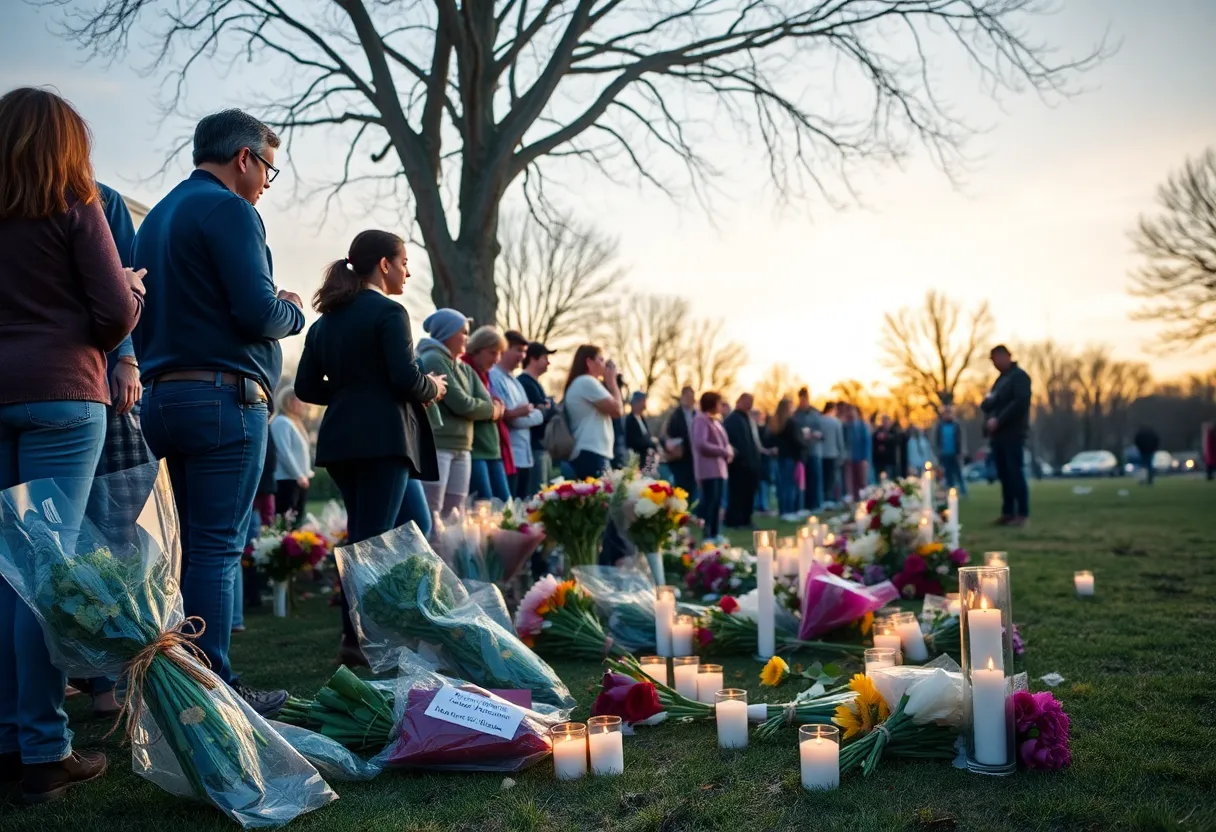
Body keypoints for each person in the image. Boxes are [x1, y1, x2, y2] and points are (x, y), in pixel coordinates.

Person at [0, 87, 145, 801]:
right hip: (62, 394)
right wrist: (134, 293)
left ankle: (7, 739)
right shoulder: (73, 201)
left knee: (5, 573)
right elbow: (115, 311)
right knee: (46, 575)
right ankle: (43, 748)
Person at [134, 109, 303, 715]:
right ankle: (214, 689)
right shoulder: (232, 210)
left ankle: (178, 680)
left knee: (181, 551)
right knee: (215, 549)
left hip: (160, 395)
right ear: (245, 158)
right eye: (268, 170)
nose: (265, 183)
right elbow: (257, 312)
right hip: (223, 398)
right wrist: (291, 310)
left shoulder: (155, 218)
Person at [294, 230, 445, 667]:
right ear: (384, 264)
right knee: (370, 541)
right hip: (383, 441)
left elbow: (306, 386)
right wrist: (432, 387)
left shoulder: (325, 323)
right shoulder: (390, 312)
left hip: (343, 440)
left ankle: (407, 622)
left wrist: (350, 394)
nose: (408, 271)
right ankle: (357, 636)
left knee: (412, 524)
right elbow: (404, 378)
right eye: (403, 262)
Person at [417, 310, 492, 515]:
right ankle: (434, 548)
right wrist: (486, 409)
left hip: (462, 446)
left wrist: (486, 408)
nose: (467, 338)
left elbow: (487, 401)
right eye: (463, 332)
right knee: (433, 513)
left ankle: (448, 548)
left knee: (454, 513)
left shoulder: (464, 367)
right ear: (447, 333)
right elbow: (462, 404)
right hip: (439, 445)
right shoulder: (434, 358)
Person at [981, 345, 1032, 526]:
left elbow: (1020, 403)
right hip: (998, 435)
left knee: (1015, 472)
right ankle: (1008, 511)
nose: (995, 364)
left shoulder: (1019, 378)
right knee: (1004, 474)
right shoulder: (1000, 380)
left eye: (996, 359)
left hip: (1013, 433)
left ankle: (1022, 513)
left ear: (1005, 357)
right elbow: (990, 402)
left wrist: (999, 420)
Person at [489, 330, 543, 499]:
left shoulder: (514, 381)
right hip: (509, 456)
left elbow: (535, 414)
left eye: (524, 351)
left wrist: (526, 413)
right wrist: (524, 413)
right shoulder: (494, 376)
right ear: (504, 349)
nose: (522, 356)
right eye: (518, 350)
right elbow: (513, 420)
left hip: (524, 457)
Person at [462, 326, 512, 502]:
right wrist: (493, 409)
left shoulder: (486, 374)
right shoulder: (465, 368)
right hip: (476, 448)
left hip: (491, 448)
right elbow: (466, 404)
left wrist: (496, 406)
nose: (496, 359)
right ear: (477, 348)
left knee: (505, 505)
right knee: (485, 506)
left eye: (499, 354)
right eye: (492, 353)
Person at [562, 345, 623, 480]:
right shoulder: (586, 382)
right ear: (589, 362)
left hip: (590, 451)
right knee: (599, 499)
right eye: (600, 360)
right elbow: (617, 410)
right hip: (591, 452)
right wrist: (612, 382)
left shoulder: (581, 383)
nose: (604, 364)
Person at [517, 342, 557, 497]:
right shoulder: (525, 383)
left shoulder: (534, 383)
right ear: (533, 359)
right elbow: (539, 412)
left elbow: (546, 409)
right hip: (533, 448)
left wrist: (547, 407)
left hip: (541, 447)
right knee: (536, 496)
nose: (548, 362)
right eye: (544, 357)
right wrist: (547, 408)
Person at [692, 391, 733, 538]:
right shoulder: (700, 420)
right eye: (719, 402)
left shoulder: (715, 421)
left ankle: (716, 532)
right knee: (710, 503)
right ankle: (708, 534)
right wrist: (722, 451)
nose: (721, 406)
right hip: (708, 470)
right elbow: (701, 443)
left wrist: (728, 451)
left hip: (720, 469)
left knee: (717, 503)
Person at [271, 386, 313, 522]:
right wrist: (298, 475)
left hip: (297, 480)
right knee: (286, 521)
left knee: (296, 520)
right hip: (287, 480)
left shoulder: (294, 423)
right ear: (289, 401)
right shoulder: (281, 422)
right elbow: (283, 452)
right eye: (298, 400)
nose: (302, 403)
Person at [723, 393, 763, 529]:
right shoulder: (732, 420)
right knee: (737, 494)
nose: (749, 404)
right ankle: (736, 520)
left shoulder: (747, 419)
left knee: (749, 494)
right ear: (739, 401)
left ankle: (746, 519)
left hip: (751, 464)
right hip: (739, 465)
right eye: (747, 401)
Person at [770, 398, 807, 521]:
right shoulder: (791, 423)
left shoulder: (777, 422)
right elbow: (796, 440)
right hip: (791, 457)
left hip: (782, 456)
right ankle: (789, 510)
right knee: (790, 485)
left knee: (783, 485)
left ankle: (783, 510)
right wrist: (805, 442)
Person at [662, 386, 698, 499]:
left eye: (692, 397)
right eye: (687, 396)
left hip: (694, 460)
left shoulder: (697, 415)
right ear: (682, 397)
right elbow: (664, 436)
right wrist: (669, 445)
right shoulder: (674, 414)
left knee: (692, 493)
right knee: (680, 492)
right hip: (679, 460)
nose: (690, 399)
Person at [793, 388, 823, 514]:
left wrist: (816, 434)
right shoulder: (796, 414)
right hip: (801, 452)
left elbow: (822, 432)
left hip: (814, 450)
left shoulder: (815, 413)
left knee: (814, 479)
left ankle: (815, 504)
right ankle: (802, 505)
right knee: (801, 480)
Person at [935, 404, 968, 496]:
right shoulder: (940, 426)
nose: (947, 415)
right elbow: (937, 441)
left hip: (955, 454)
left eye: (949, 413)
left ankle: (963, 492)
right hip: (945, 454)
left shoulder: (956, 425)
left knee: (959, 474)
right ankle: (951, 491)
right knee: (948, 475)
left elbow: (961, 439)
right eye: (946, 413)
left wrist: (961, 451)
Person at [626, 392, 661, 470]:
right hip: (638, 461)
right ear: (636, 403)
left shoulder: (642, 418)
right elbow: (633, 441)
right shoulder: (630, 420)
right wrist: (651, 442)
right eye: (643, 401)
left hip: (647, 459)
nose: (644, 404)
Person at [842, 404, 870, 499]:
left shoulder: (862, 426)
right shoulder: (845, 426)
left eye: (852, 411)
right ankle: (853, 496)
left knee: (861, 479)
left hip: (860, 457)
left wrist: (865, 458)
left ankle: (863, 496)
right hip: (849, 457)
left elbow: (866, 442)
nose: (851, 414)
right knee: (851, 479)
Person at [820, 401, 844, 507]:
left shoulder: (820, 421)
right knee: (832, 478)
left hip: (821, 453)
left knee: (823, 477)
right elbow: (839, 440)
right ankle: (830, 498)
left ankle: (823, 498)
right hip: (833, 453)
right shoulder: (836, 422)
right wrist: (842, 453)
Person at [872, 415, 898, 482]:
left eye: (887, 422)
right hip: (879, 461)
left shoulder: (893, 432)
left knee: (889, 481)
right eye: (884, 422)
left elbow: (895, 443)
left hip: (889, 461)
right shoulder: (877, 433)